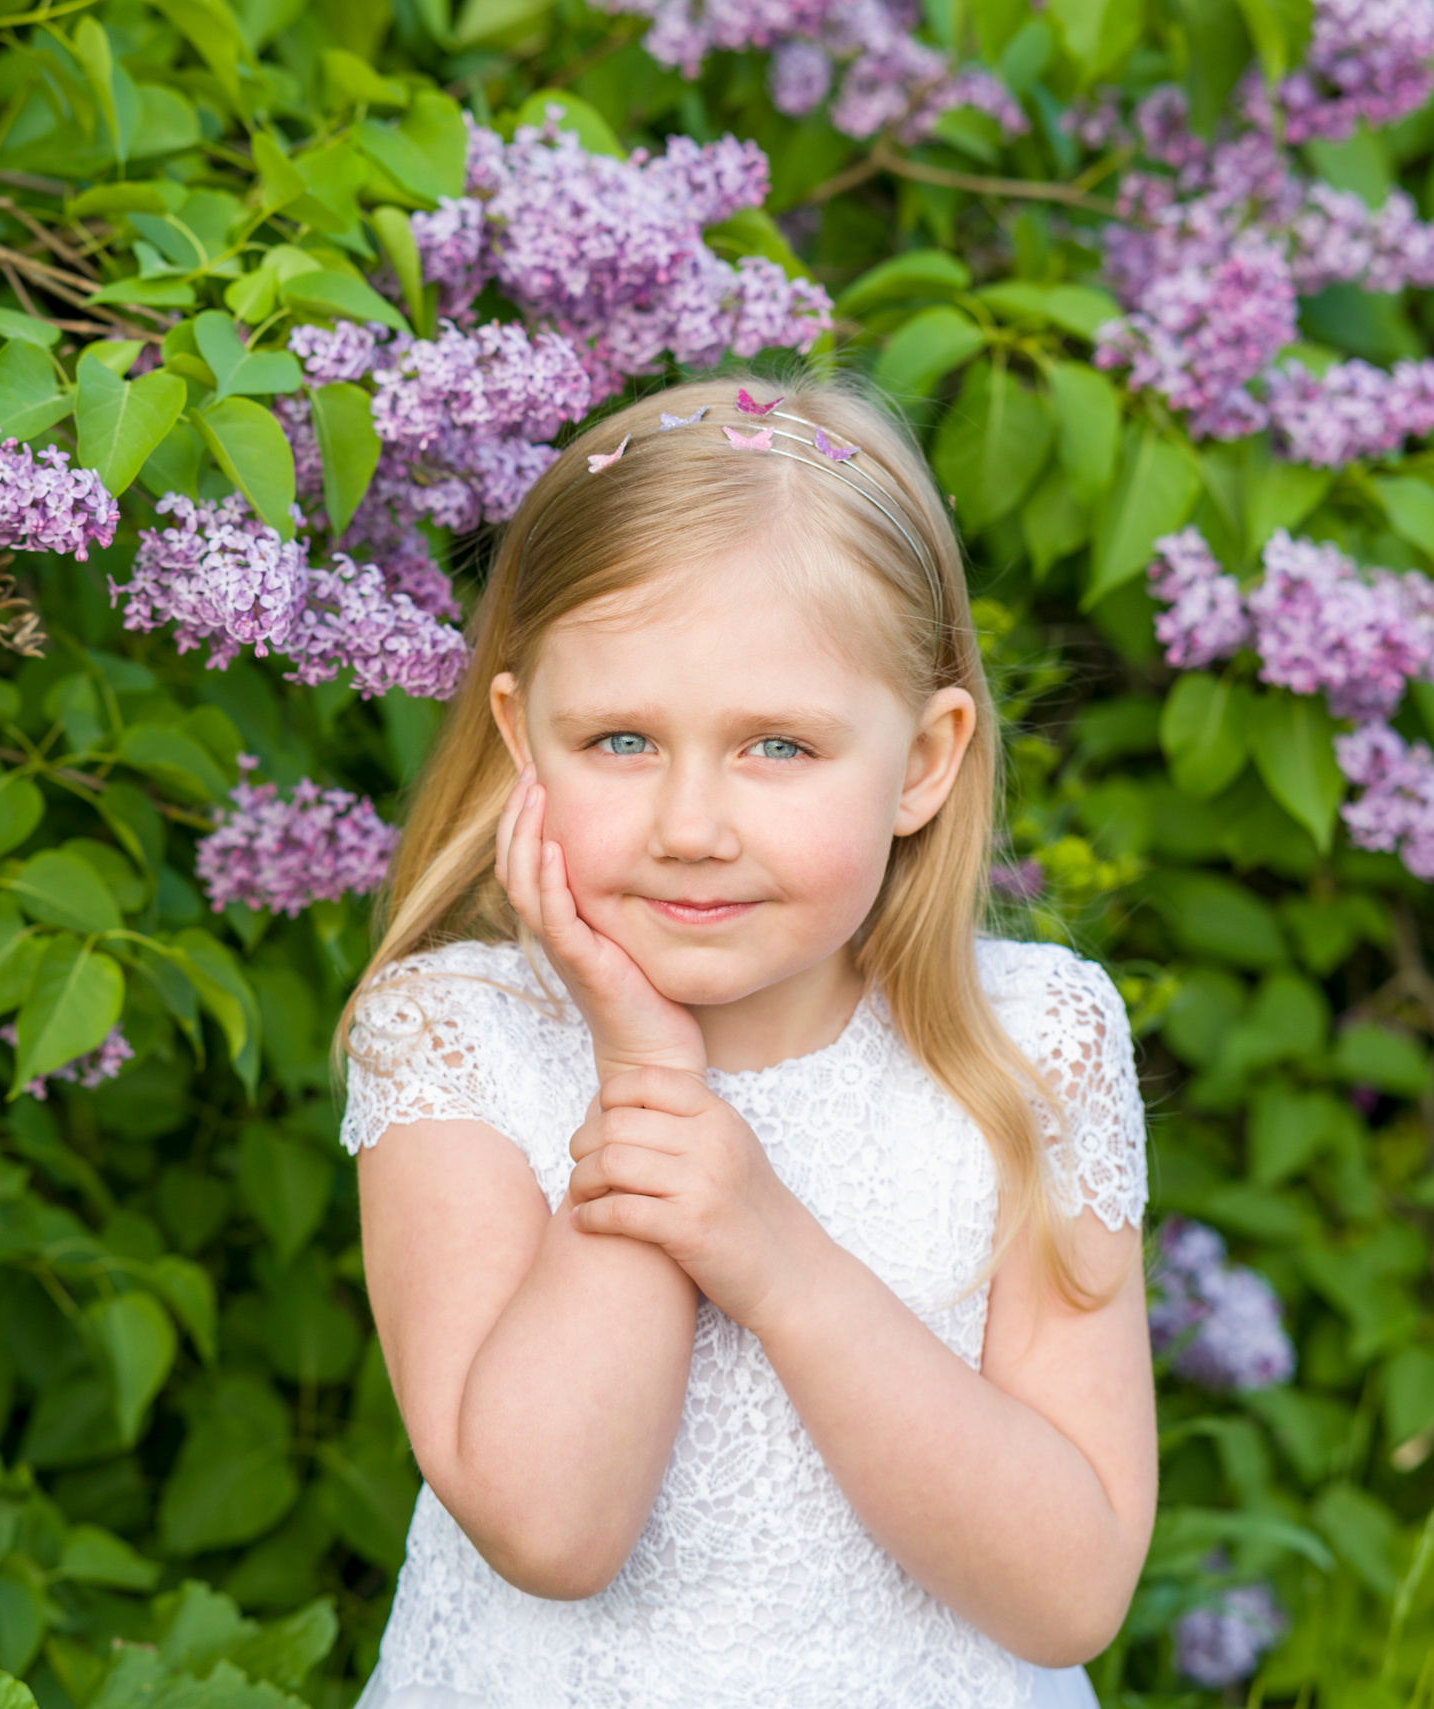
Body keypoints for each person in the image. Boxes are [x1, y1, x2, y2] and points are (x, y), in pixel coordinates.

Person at [336, 373, 1156, 1708]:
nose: (692, 823)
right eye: (619, 739)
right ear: (519, 735)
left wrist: (777, 1260)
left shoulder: (1034, 1046)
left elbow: (1068, 1592)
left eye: (777, 744)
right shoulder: (451, 1039)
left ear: (924, 759)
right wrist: (650, 1077)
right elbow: (552, 1526)